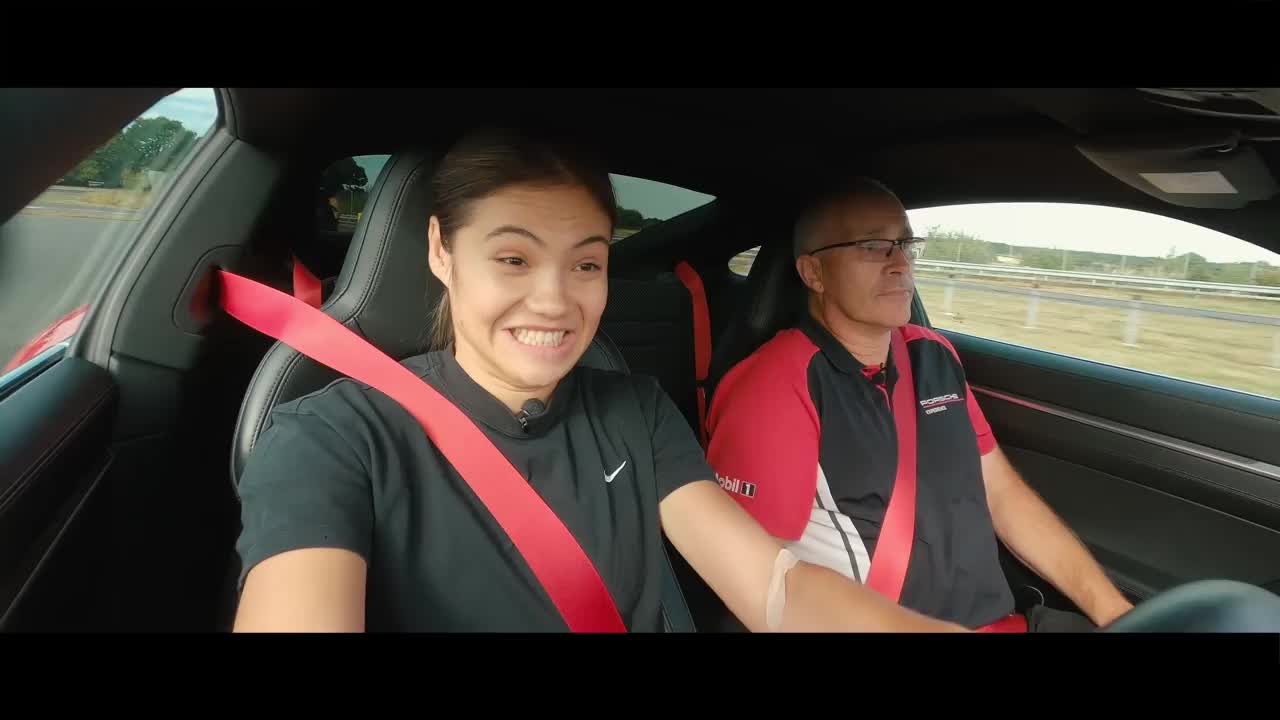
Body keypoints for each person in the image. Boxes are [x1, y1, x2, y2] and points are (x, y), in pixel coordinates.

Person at [230, 130, 971, 633]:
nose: (556, 300)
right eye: (513, 259)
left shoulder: (636, 409)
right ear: (441, 253)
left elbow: (774, 586)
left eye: (586, 263)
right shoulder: (333, 437)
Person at [704, 178, 1135, 632]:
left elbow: (1003, 495)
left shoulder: (933, 355)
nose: (900, 265)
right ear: (814, 274)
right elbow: (751, 578)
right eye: (873, 246)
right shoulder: (774, 385)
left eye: (905, 244)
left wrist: (1118, 615)